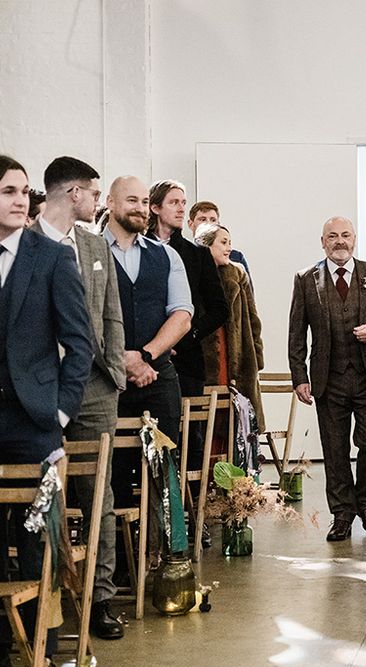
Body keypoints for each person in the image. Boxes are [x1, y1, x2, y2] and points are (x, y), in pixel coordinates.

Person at [0, 153, 93, 667]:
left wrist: (59, 410)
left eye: (24, 192)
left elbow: (78, 344)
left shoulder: (51, 256)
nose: (21, 201)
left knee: (42, 542)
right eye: (8, 192)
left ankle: (45, 657)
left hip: (35, 422)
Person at [31, 156, 127, 639]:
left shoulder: (94, 243)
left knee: (99, 496)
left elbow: (111, 312)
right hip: (41, 386)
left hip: (93, 384)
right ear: (72, 194)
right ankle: (45, 601)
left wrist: (113, 371)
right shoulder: (27, 242)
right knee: (41, 491)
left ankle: (100, 600)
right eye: (92, 192)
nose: (96, 200)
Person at [288, 216, 366, 541]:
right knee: (335, 448)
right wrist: (299, 375)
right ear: (322, 241)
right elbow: (297, 332)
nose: (339, 241)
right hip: (329, 379)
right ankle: (342, 514)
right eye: (332, 236)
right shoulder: (306, 278)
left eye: (345, 235)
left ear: (354, 239)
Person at [103, 176, 193, 516]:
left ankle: (170, 552)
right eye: (131, 201)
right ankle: (123, 560)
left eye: (143, 202)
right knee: (114, 473)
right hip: (107, 380)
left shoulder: (166, 256)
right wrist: (120, 360)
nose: (140, 208)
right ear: (111, 203)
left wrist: (144, 355)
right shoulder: (89, 253)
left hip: (159, 377)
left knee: (165, 467)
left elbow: (182, 315)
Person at [148, 180, 228, 547]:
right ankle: (150, 520)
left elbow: (218, 309)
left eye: (184, 202)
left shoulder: (195, 254)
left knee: (188, 440)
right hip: (147, 357)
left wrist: (186, 335)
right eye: (174, 202)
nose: (181, 208)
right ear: (155, 207)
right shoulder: (143, 248)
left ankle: (192, 518)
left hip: (187, 361)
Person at [194, 223, 265, 430]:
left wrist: (257, 358)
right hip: (207, 356)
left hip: (238, 353)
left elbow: (253, 320)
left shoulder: (237, 274)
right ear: (207, 246)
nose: (228, 248)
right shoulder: (194, 274)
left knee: (238, 420)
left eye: (230, 243)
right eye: (223, 243)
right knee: (209, 421)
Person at [187, 200, 253, 286]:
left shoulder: (235, 257)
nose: (208, 223)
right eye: (202, 219)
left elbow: (248, 295)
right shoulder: (184, 255)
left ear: (218, 224)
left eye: (213, 220)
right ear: (191, 224)